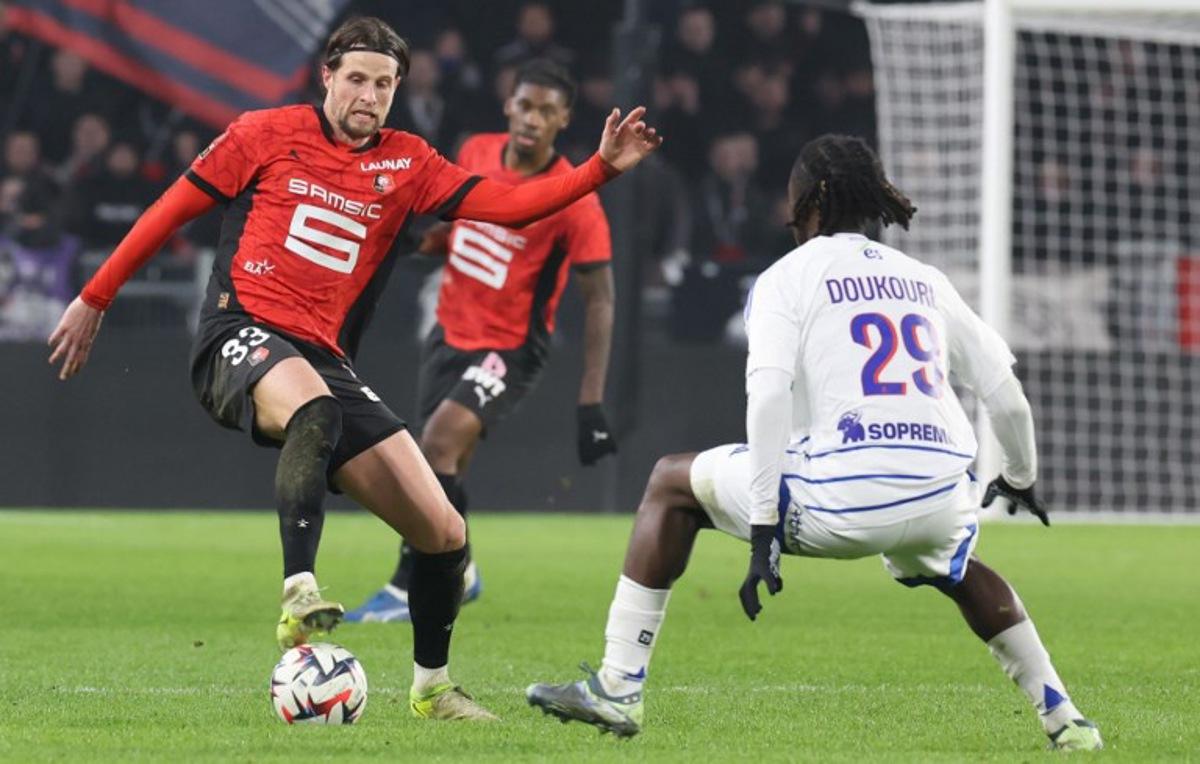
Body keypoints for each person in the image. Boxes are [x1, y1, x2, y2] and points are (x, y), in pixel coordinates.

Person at [47, 16, 660, 722]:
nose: (370, 95)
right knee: (315, 411)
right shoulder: (262, 134)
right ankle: (299, 591)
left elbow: (509, 207)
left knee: (443, 533)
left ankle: (432, 688)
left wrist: (601, 169)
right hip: (238, 334)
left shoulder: (408, 161)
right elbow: (169, 212)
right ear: (329, 78)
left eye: (385, 84)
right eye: (359, 79)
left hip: (324, 359)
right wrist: (95, 296)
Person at [525, 135, 1102, 751]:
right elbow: (1006, 394)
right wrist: (1018, 476)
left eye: (794, 196)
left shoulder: (787, 278)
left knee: (670, 479)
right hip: (941, 495)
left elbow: (769, 397)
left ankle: (618, 685)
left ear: (813, 203)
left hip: (843, 505)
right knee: (955, 566)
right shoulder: (924, 279)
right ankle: (1064, 716)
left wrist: (764, 527)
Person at [346, 59, 617, 624]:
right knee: (444, 466)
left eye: (547, 111)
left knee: (436, 446)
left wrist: (591, 401)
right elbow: (462, 231)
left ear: (564, 119)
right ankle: (459, 569)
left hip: (509, 347)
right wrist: (419, 244)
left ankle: (410, 584)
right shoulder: (474, 151)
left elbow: (600, 299)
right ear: (508, 105)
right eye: (526, 105)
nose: (533, 120)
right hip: (447, 332)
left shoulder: (576, 199)